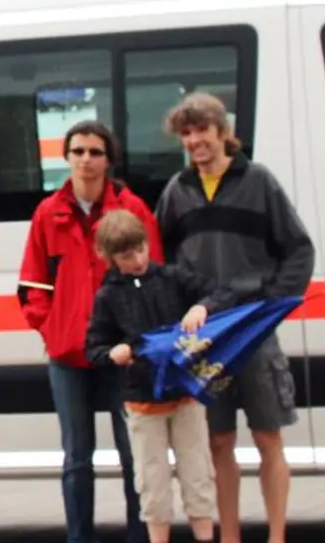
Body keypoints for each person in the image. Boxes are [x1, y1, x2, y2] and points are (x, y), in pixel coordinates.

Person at [154, 93, 315, 543]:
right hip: (205, 338)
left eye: (202, 130)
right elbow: (163, 259)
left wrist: (273, 306)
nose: (195, 141)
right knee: (218, 442)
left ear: (223, 132)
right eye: (186, 134)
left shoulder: (259, 181)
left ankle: (277, 536)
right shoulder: (177, 191)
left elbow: (298, 249)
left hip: (254, 333)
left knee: (268, 438)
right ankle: (230, 537)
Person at [15, 120, 158, 543]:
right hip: (69, 355)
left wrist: (136, 337)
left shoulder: (131, 210)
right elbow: (32, 284)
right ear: (66, 156)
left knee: (134, 454)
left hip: (122, 354)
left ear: (108, 159)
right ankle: (79, 538)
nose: (86, 159)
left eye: (95, 152)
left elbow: (153, 276)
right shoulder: (48, 213)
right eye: (78, 151)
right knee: (76, 458)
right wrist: (51, 329)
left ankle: (140, 536)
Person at [85, 209, 245, 543]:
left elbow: (222, 292)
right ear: (110, 259)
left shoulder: (173, 278)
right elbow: (94, 347)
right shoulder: (107, 296)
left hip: (185, 395)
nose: (138, 260)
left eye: (140, 249)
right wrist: (112, 354)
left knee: (197, 474)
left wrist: (202, 307)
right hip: (142, 403)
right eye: (127, 256)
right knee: (152, 482)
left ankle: (204, 536)